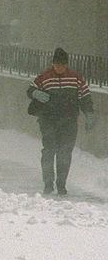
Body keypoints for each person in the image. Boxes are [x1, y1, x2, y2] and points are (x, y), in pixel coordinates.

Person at [26, 47, 95, 196]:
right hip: (48, 120)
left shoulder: (76, 78)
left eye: (62, 65)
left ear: (66, 64)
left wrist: (89, 114)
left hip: (69, 122)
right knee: (49, 150)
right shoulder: (44, 77)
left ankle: (61, 184)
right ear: (53, 64)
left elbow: (85, 97)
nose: (59, 68)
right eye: (57, 65)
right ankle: (48, 184)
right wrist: (36, 93)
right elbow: (30, 89)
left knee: (64, 153)